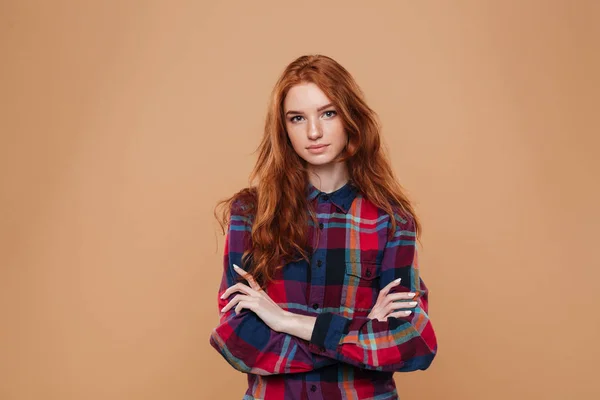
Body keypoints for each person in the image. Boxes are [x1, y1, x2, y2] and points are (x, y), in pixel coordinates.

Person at [209, 54, 437, 400]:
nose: (313, 132)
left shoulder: (390, 220)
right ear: (283, 129)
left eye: (327, 113)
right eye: (297, 118)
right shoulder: (251, 213)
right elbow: (238, 341)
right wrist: (359, 335)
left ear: (351, 118)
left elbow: (412, 342)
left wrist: (285, 321)